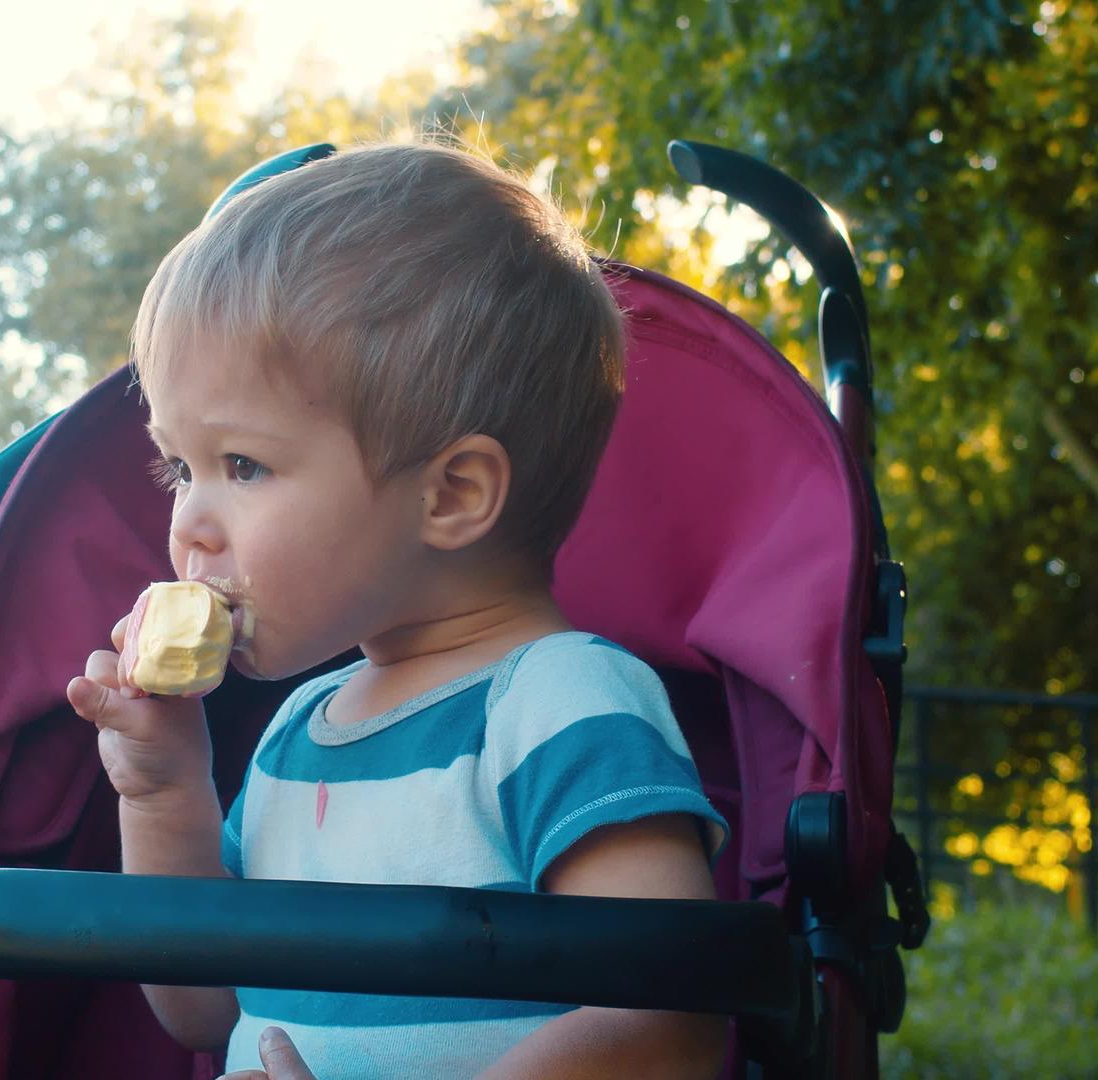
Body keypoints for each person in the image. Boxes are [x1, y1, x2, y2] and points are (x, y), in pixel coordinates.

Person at [66, 138, 729, 1080]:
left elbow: (670, 1020)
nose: (188, 526)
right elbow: (203, 1006)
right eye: (181, 467)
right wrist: (165, 788)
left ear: (452, 495)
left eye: (242, 466)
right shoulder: (302, 731)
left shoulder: (558, 704)